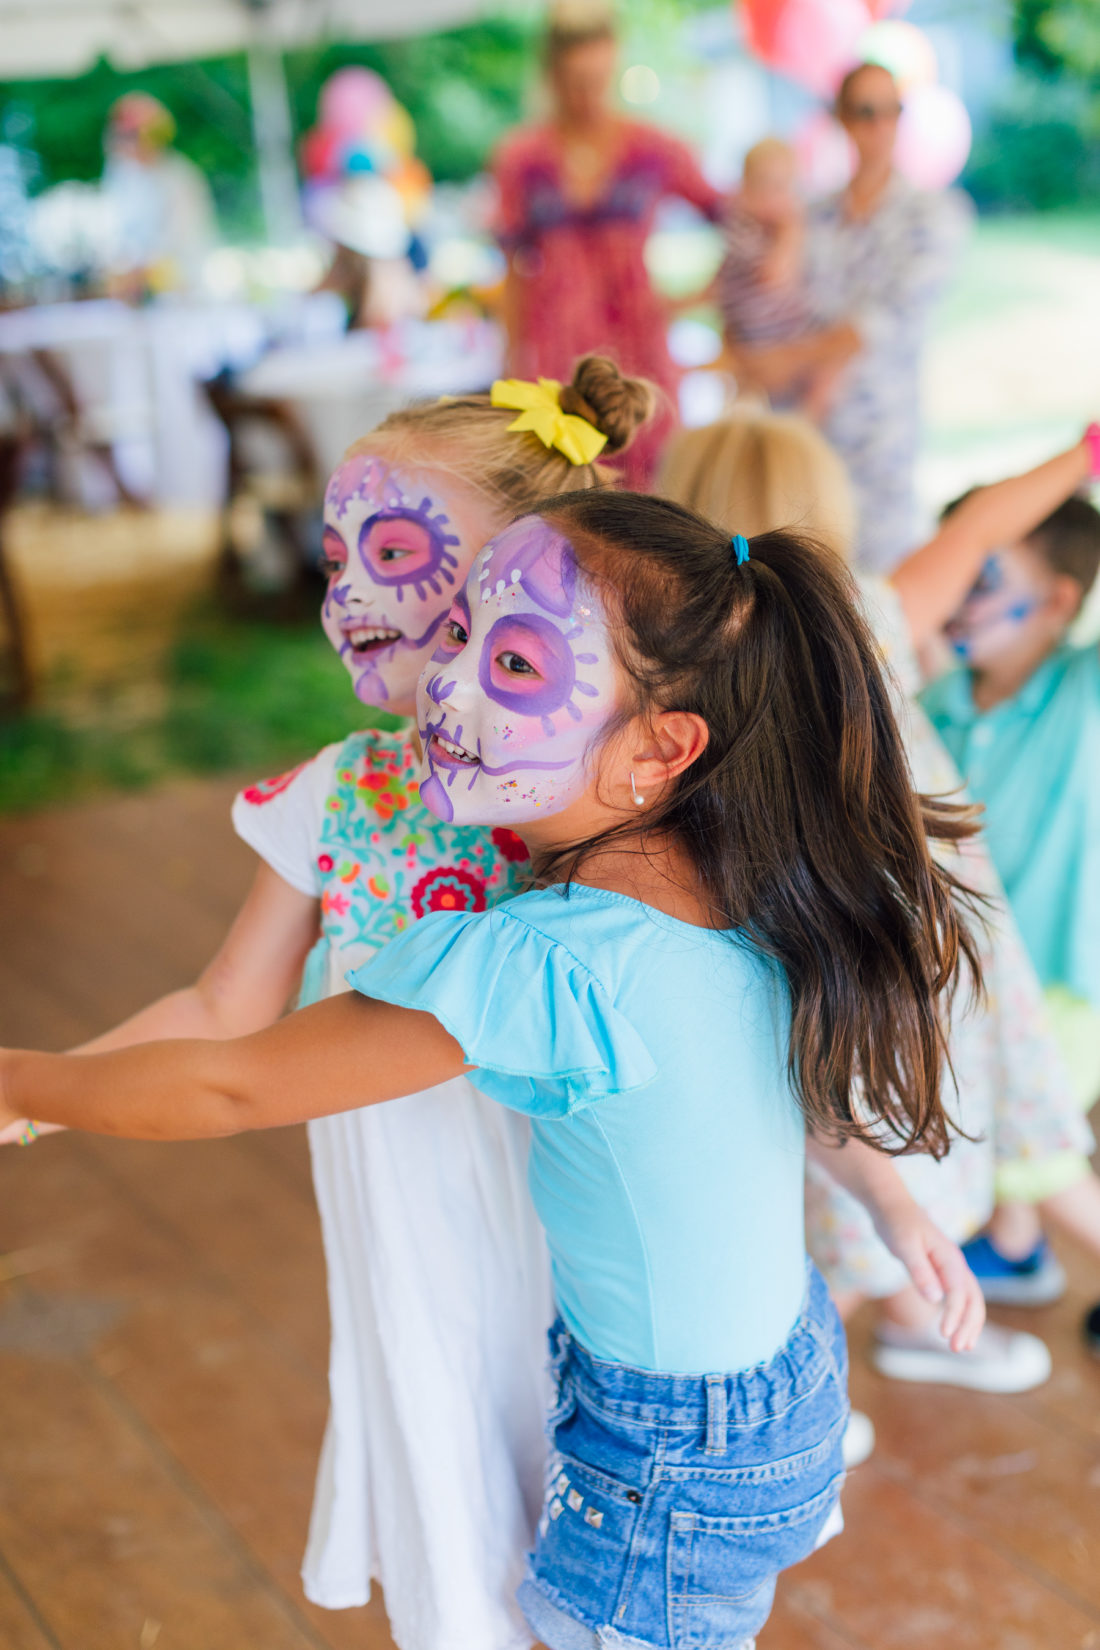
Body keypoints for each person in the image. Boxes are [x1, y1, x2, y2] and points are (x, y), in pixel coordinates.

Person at [0, 494, 988, 1650]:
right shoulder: (745, 883)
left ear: (659, 750)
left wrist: (22, 1081)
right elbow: (789, 1087)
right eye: (459, 635)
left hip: (666, 1453)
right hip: (780, 1383)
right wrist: (888, 1198)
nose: (445, 682)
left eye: (511, 659)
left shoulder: (541, 963)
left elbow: (234, 1086)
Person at [5, 355, 654, 1650]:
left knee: (587, 1503)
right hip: (406, 1222)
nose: (351, 593)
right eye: (336, 558)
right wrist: (48, 1093)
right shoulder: (339, 796)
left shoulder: (593, 789)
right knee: (454, 1498)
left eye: (397, 550)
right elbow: (224, 1005)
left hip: (576, 1214)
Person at [660, 410, 1094, 1392]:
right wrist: (1082, 451)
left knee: (833, 1137)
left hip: (796, 940)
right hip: (909, 942)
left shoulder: (677, 658)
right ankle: (793, 1388)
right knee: (894, 1141)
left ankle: (905, 1320)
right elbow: (982, 524)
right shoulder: (867, 612)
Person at [921, 426, 1100, 1340]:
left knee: (1034, 1150)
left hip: (1064, 973)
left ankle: (1040, 1232)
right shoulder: (939, 700)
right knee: (1002, 1122)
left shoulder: (1083, 690)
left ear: (1061, 601)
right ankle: (1019, 1252)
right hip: (976, 968)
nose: (957, 598)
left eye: (983, 577)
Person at [492, 2, 723, 489]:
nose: (587, 95)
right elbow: (512, 269)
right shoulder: (521, 158)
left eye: (598, 79)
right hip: (559, 353)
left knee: (654, 492)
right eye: (575, 80)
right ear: (551, 76)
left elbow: (735, 219)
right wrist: (510, 361)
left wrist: (691, 299)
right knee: (572, 492)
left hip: (639, 349)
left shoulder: (653, 149)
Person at [714, 138, 843, 421]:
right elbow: (774, 276)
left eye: (784, 187)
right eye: (766, 187)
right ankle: (792, 428)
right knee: (748, 397)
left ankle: (805, 422)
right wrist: (791, 232)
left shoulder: (769, 228)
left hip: (787, 331)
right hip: (763, 336)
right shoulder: (744, 228)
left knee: (831, 367)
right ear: (744, 189)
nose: (778, 198)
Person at [101, 92, 218, 296]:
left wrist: (142, 272)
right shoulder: (123, 177)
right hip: (138, 294)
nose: (122, 141)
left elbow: (185, 242)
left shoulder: (178, 178)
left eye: (130, 135)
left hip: (179, 295)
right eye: (119, 134)